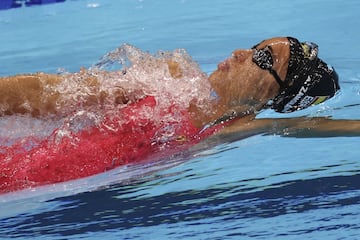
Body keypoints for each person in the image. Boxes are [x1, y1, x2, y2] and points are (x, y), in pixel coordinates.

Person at [0, 37, 359, 193]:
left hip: (30, 183)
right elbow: (49, 93)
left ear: (272, 92)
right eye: (254, 47)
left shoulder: (234, 128)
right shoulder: (166, 80)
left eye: (262, 58)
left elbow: (316, 126)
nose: (239, 53)